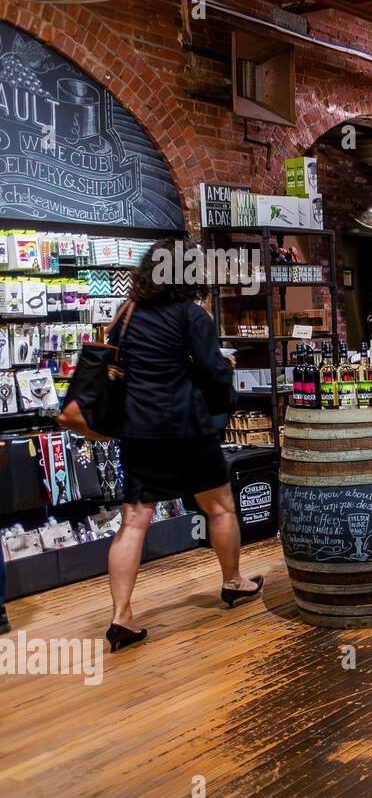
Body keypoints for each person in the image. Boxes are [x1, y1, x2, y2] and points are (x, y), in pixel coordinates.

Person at [105, 237, 263, 653]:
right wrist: (223, 368)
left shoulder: (127, 313)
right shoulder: (192, 315)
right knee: (220, 506)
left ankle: (121, 615)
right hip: (186, 428)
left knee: (134, 522)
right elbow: (213, 374)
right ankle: (233, 581)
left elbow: (114, 362)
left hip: (138, 429)